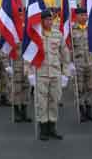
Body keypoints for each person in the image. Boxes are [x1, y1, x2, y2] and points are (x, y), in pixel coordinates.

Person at [27, 9, 69, 141]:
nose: (49, 22)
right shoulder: (36, 35)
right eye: (46, 19)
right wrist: (30, 74)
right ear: (41, 20)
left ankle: (52, 127)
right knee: (41, 102)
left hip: (55, 73)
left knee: (54, 101)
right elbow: (28, 56)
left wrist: (65, 74)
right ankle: (43, 129)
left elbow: (65, 54)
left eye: (51, 19)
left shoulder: (58, 34)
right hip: (41, 73)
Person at [70, 8, 92, 122]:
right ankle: (81, 111)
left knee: (91, 88)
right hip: (78, 64)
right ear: (76, 17)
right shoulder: (71, 30)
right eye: (81, 15)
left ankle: (89, 111)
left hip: (91, 63)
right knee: (79, 89)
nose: (84, 17)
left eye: (85, 15)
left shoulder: (91, 29)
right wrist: (69, 64)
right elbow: (68, 48)